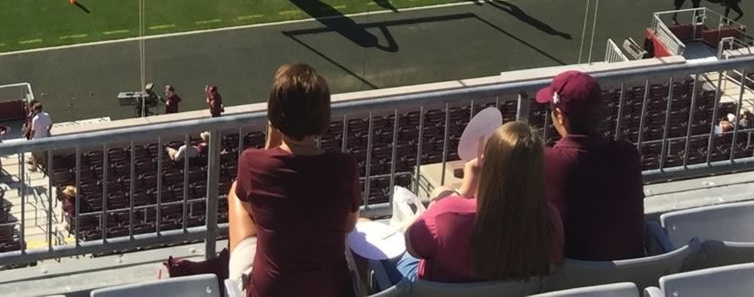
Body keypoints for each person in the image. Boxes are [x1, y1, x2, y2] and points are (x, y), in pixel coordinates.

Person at [227, 63, 357, 297]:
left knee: (235, 192)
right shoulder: (344, 166)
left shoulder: (252, 163)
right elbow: (349, 225)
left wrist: (270, 144)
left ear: (273, 116)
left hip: (271, 291)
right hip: (334, 290)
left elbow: (253, 211)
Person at [385, 121, 561, 284]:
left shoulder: (445, 215)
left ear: (487, 164)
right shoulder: (550, 220)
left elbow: (412, 246)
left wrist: (456, 195)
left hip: (431, 289)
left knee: (383, 254)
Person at [539, 70, 644, 260]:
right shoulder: (628, 155)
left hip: (573, 277)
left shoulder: (545, 161)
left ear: (559, 116)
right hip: (629, 276)